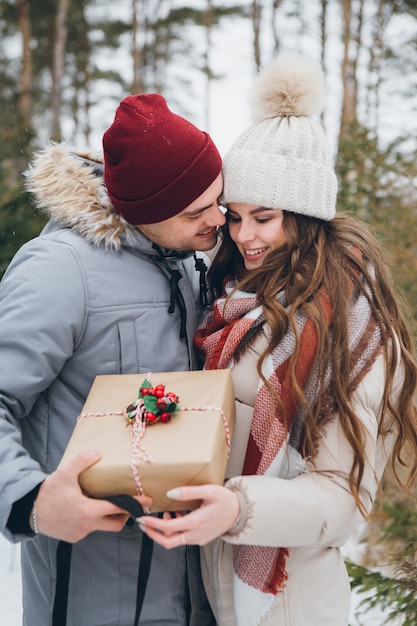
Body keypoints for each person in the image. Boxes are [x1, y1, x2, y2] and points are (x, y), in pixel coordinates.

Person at [137, 56, 417, 626]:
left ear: (306, 213)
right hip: (220, 591)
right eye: (234, 216)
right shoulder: (238, 301)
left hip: (291, 603)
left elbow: (342, 500)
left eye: (263, 217)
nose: (243, 237)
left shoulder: (351, 326)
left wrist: (238, 507)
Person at [0, 93, 226, 625]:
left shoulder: (190, 264)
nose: (218, 219)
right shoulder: (59, 270)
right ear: (145, 211)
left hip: (196, 589)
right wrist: (29, 499)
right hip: (94, 591)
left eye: (220, 199)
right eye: (197, 211)